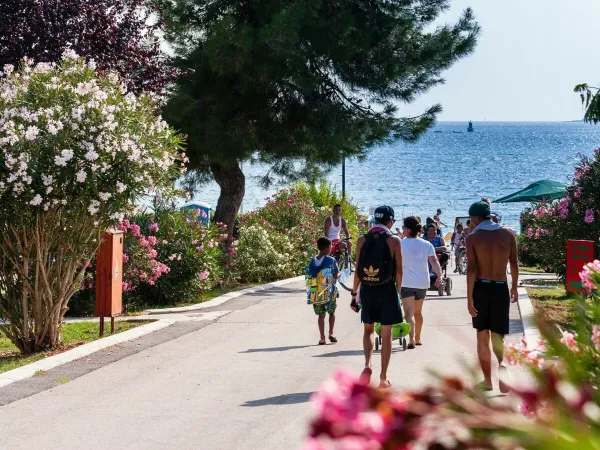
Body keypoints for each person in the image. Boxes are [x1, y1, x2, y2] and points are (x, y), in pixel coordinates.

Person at [466, 200, 519, 393]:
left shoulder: (473, 237)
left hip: (481, 287)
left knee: (482, 336)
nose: (470, 222)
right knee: (498, 336)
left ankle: (488, 381)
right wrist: (513, 287)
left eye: (471, 218)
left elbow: (471, 269)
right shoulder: (508, 234)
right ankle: (502, 364)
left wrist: (469, 297)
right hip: (500, 287)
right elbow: (514, 264)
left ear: (477, 218)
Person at [352, 205, 403, 389]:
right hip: (387, 289)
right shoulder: (394, 240)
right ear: (390, 222)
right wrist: (399, 293)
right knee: (387, 334)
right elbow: (398, 271)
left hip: (367, 289)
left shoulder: (361, 240)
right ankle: (383, 377)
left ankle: (367, 364)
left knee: (368, 330)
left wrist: (354, 294)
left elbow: (358, 271)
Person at [400, 217, 442, 348]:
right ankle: (418, 338)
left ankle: (411, 339)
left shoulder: (400, 243)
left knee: (409, 313)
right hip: (422, 283)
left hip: (406, 283)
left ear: (407, 229)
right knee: (418, 312)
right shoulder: (426, 244)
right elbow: (434, 262)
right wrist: (440, 276)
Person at [305, 237, 340, 345]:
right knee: (332, 313)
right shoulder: (331, 260)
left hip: (316, 293)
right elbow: (335, 275)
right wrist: (340, 274)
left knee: (321, 315)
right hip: (329, 291)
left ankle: (322, 338)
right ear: (328, 247)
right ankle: (331, 333)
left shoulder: (312, 261)